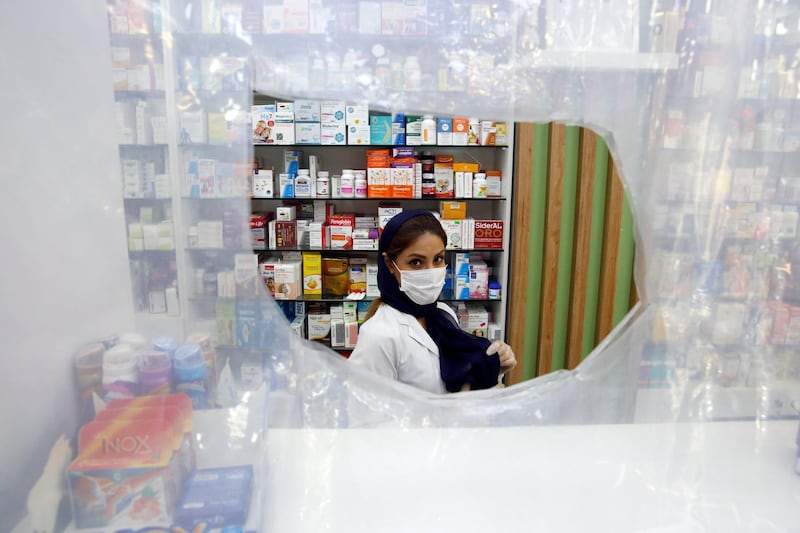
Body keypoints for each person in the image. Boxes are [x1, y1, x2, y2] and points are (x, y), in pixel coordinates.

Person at [349, 210, 516, 394]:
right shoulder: (379, 335)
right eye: (416, 262)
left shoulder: (443, 314)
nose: (430, 271)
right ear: (389, 264)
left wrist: (492, 365)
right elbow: (366, 416)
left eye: (438, 259)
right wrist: (454, 409)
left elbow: (457, 370)